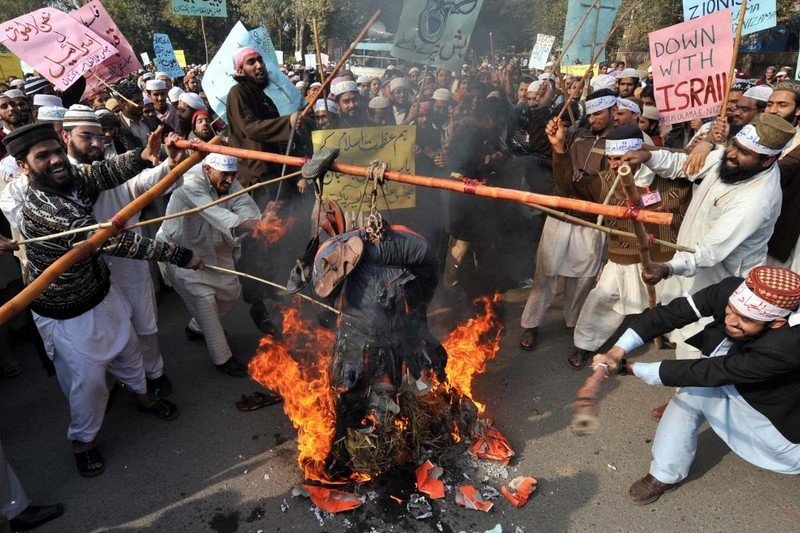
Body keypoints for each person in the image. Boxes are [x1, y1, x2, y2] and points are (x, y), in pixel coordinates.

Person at [4, 122, 200, 476]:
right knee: (89, 381)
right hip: (67, 312)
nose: (55, 160)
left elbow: (101, 173)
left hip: (99, 290)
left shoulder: (69, 179)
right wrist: (181, 255)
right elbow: (114, 241)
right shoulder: (47, 208)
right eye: (43, 156)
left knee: (128, 347)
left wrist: (142, 157)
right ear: (23, 166)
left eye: (56, 151)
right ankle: (83, 440)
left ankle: (142, 397)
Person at [593, 266, 800, 505]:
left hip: (772, 415)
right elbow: (673, 313)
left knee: (696, 384)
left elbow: (710, 372)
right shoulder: (731, 289)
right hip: (731, 376)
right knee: (690, 393)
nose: (731, 322)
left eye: (746, 319)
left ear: (776, 323)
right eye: (730, 311)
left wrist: (627, 368)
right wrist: (617, 351)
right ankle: (665, 473)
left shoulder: (788, 345)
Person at [621, 113, 796, 360]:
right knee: (681, 327)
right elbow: (684, 166)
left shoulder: (757, 200)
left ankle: (689, 393)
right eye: (734, 144)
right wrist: (649, 156)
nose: (732, 153)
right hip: (692, 264)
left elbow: (709, 251)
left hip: (718, 278)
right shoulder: (729, 160)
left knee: (698, 344)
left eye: (744, 152)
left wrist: (668, 268)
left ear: (768, 161)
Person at [569, 125, 691, 368]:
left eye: (621, 159)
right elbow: (568, 187)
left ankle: (670, 337)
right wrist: (561, 153)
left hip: (663, 255)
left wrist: (653, 152)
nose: (615, 165)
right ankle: (585, 344)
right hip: (623, 254)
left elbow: (696, 158)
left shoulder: (672, 177)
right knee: (604, 296)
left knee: (671, 299)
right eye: (611, 159)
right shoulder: (605, 179)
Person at [519, 89, 616, 351]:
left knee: (582, 277)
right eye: (591, 113)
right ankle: (530, 324)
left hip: (590, 222)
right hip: (560, 215)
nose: (594, 119)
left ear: (613, 113)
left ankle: (574, 323)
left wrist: (569, 172)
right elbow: (540, 147)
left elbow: (601, 189)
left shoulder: (619, 145)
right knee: (545, 272)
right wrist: (551, 132)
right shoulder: (576, 134)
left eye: (599, 114)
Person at [156, 154, 264, 377]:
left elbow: (244, 204)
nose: (229, 180)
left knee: (231, 292)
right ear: (207, 169)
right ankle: (222, 357)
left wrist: (259, 223)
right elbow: (213, 211)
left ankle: (197, 326)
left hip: (216, 250)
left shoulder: (229, 183)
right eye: (224, 174)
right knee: (204, 300)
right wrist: (252, 224)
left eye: (233, 174)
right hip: (183, 252)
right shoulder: (189, 182)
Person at [225, 46, 300, 334]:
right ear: (240, 69)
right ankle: (257, 302)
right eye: (251, 62)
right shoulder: (238, 93)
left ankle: (272, 291)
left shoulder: (262, 94)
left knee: (276, 238)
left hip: (274, 176)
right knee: (257, 241)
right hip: (257, 180)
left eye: (259, 60)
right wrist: (287, 122)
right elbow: (252, 128)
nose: (259, 66)